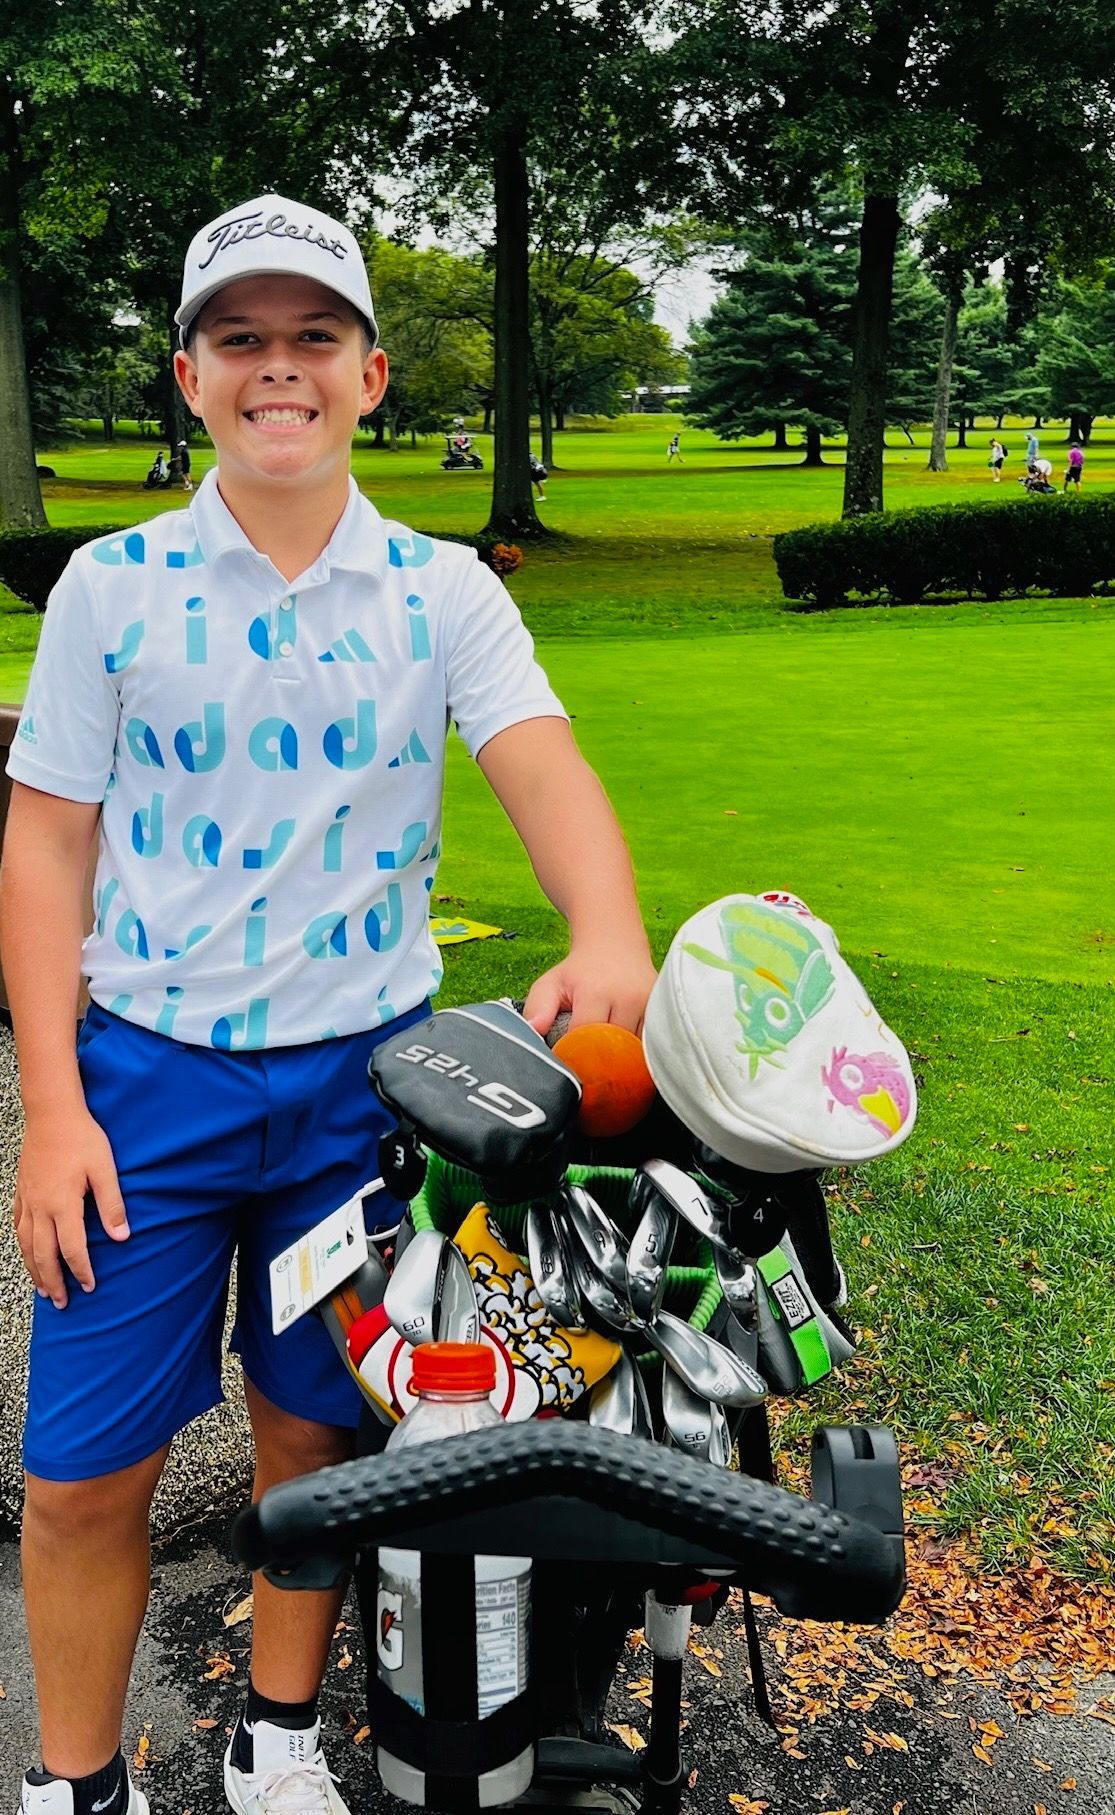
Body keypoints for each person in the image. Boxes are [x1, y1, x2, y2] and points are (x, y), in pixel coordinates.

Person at [3, 194, 656, 1815]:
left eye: (312, 338)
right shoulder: (111, 584)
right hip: (145, 1084)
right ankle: (77, 1784)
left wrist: (611, 923)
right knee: (85, 1480)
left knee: (318, 1441)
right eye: (241, 339)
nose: (275, 368)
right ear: (188, 374)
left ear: (371, 378)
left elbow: (543, 765)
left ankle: (276, 1739)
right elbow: (43, 841)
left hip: (367, 1097)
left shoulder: (443, 593)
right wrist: (54, 1108)